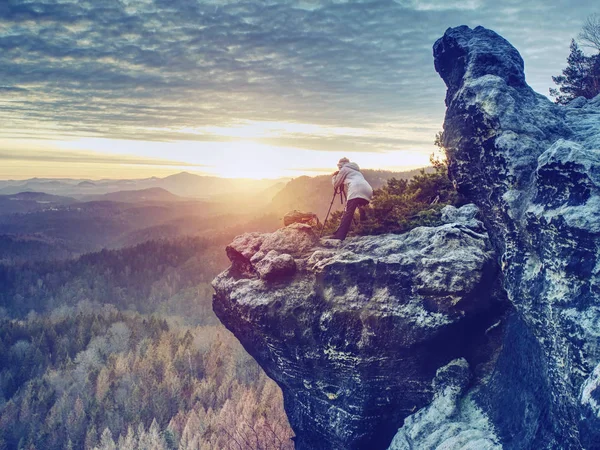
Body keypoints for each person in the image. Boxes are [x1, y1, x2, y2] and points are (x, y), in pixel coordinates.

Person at [329, 157, 373, 240]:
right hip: (368, 190)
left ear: (341, 165)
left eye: (339, 166)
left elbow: (336, 184)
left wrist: (334, 176)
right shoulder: (357, 171)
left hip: (355, 190)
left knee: (348, 213)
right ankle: (364, 232)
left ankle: (340, 235)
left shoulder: (344, 169)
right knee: (363, 211)